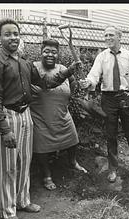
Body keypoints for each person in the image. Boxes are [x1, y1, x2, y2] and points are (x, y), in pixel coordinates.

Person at [0, 18, 80, 219]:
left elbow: (46, 83)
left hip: (26, 114)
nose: (13, 37)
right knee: (8, 166)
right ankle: (8, 210)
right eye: (8, 34)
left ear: (20, 37)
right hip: (8, 117)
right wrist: (4, 129)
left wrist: (67, 71)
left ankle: (23, 200)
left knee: (24, 161)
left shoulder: (24, 63)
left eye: (16, 34)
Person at [80, 25, 129, 183]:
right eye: (105, 35)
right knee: (110, 134)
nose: (107, 38)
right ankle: (113, 169)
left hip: (127, 97)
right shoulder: (102, 56)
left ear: (119, 37)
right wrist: (88, 82)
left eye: (111, 35)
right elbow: (94, 75)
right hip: (108, 98)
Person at [30, 39, 87, 191]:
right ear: (40, 52)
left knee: (73, 139)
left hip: (62, 114)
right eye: (46, 51)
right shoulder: (34, 68)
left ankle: (72, 162)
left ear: (58, 54)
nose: (50, 54)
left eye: (54, 52)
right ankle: (46, 174)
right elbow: (48, 83)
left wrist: (72, 90)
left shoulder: (62, 67)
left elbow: (73, 83)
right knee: (42, 147)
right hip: (40, 117)